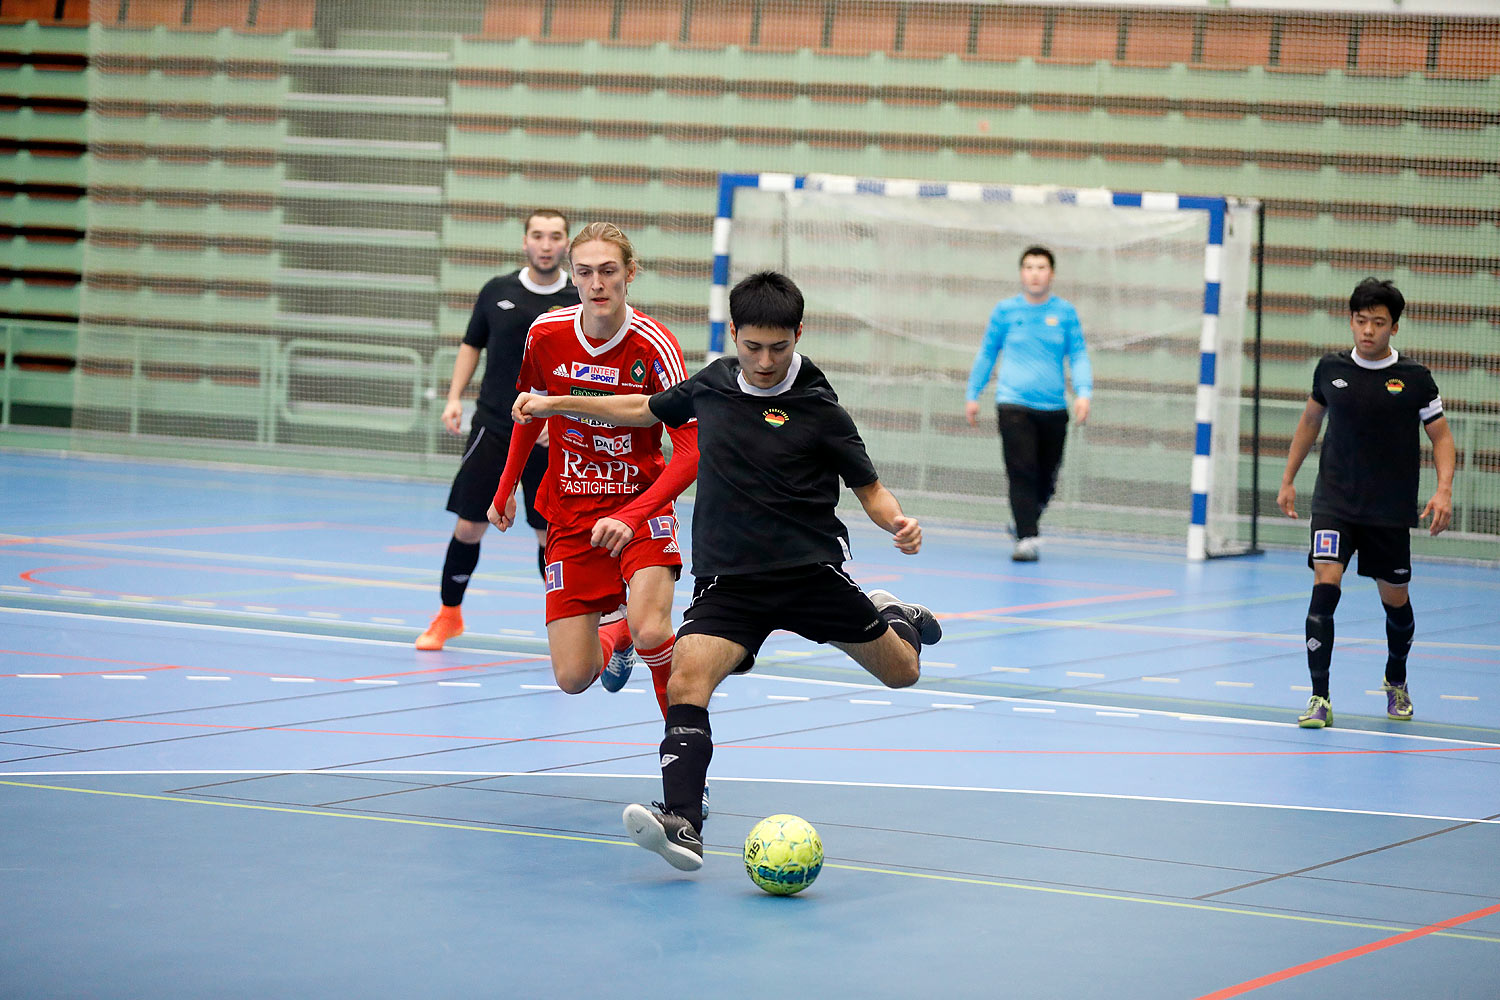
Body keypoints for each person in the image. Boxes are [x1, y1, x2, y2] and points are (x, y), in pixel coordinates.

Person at [511, 270, 942, 873]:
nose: (765, 361)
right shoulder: (712, 384)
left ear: (798, 335)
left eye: (779, 347)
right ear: (734, 333)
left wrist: (897, 523)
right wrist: (556, 402)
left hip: (810, 573)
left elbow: (870, 490)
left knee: (903, 674)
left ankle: (893, 614)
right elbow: (641, 408)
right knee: (687, 677)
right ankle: (683, 822)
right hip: (732, 583)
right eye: (752, 346)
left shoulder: (821, 410)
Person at [486, 222, 699, 722]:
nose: (597, 283)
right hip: (570, 510)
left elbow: (690, 453)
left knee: (652, 629)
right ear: (572, 276)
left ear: (629, 273)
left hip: (638, 507)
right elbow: (527, 410)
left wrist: (634, 514)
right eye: (585, 273)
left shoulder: (655, 346)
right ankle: (615, 632)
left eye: (608, 271)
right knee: (573, 677)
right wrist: (506, 486)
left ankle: (682, 751)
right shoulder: (546, 333)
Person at [1277, 277, 1454, 729]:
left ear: (1394, 327)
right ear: (1351, 321)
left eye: (1378, 322)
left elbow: (1441, 437)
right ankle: (1319, 696)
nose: (1368, 330)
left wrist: (1443, 488)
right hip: (1335, 501)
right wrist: (1288, 479)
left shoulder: (1415, 379)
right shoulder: (1329, 370)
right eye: (1361, 321)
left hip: (1389, 510)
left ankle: (1396, 679)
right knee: (1324, 587)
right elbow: (1309, 422)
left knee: (1395, 602)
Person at [416, 209, 576, 651]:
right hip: (493, 428)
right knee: (469, 525)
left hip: (550, 435)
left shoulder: (579, 298)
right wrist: (454, 397)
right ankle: (449, 616)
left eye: (556, 236)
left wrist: (562, 418)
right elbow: (471, 346)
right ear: (525, 241)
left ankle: (566, 629)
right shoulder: (496, 291)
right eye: (538, 236)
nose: (546, 244)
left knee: (551, 534)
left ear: (566, 243)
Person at [964, 245, 1092, 562]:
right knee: (1021, 470)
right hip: (1013, 404)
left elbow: (1077, 354)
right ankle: (1026, 538)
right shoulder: (1005, 311)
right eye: (1029, 267)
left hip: (1053, 408)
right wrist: (973, 393)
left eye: (1041, 267)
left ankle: (1025, 518)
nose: (1035, 273)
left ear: (1051, 274)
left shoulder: (1065, 313)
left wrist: (1084, 392)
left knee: (1047, 477)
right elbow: (987, 353)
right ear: (1022, 273)